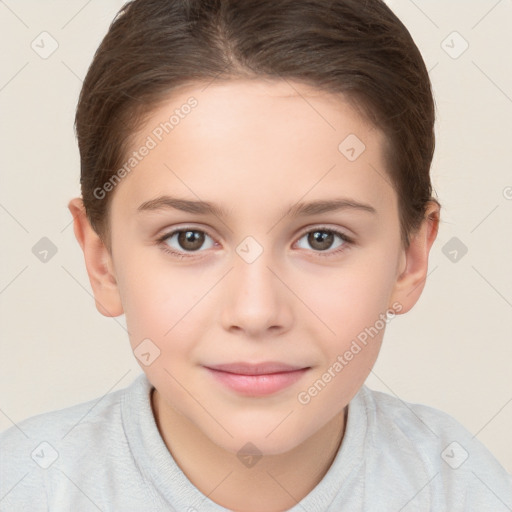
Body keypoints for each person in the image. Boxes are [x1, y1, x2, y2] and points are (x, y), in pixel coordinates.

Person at [1, 0, 511, 510]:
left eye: (321, 238)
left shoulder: (462, 489)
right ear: (102, 260)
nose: (255, 311)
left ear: (412, 257)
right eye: (189, 239)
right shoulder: (28, 487)